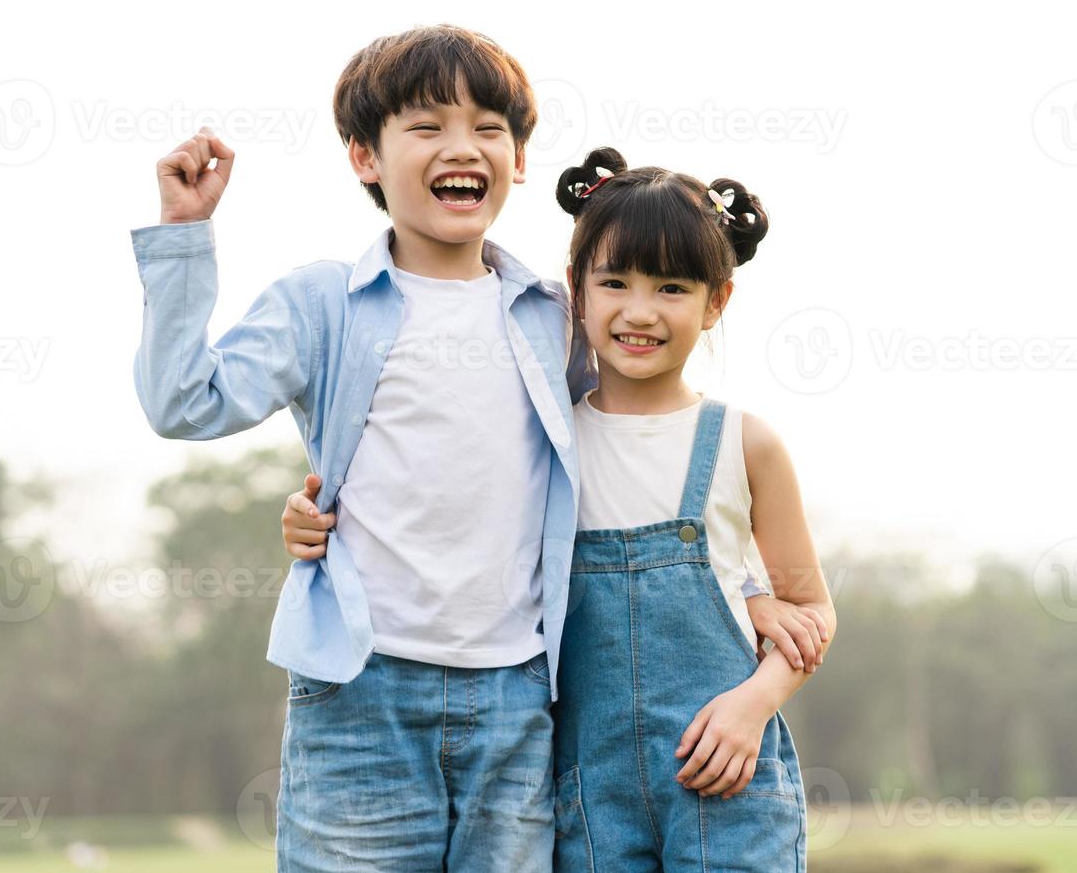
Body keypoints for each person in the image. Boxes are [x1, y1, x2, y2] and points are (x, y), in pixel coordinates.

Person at [282, 146, 837, 871]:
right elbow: (440, 499)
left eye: (672, 288)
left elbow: (812, 613)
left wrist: (753, 703)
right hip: (587, 792)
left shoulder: (746, 442)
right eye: (615, 282)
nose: (640, 311)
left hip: (728, 775)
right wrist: (314, 516)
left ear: (716, 302)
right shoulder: (547, 436)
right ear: (574, 288)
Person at [133, 24, 589, 871]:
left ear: (520, 158)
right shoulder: (323, 304)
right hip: (361, 693)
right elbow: (184, 403)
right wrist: (183, 238)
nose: (463, 146)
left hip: (520, 698)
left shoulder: (556, 316)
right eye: (427, 126)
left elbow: (643, 433)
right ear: (363, 157)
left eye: (490, 127)